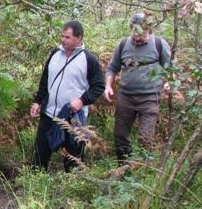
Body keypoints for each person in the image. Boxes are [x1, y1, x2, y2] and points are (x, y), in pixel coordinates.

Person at [30, 20, 105, 171]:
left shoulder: (88, 59)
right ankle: (35, 185)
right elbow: (45, 80)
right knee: (39, 156)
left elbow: (99, 86)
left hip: (73, 117)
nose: (63, 40)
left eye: (67, 37)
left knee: (73, 159)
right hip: (49, 113)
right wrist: (38, 101)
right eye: (62, 36)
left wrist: (82, 100)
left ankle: (71, 190)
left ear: (79, 38)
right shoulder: (55, 54)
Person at [104, 12, 171, 164]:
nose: (137, 37)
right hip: (126, 97)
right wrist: (108, 86)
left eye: (141, 33)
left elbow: (171, 69)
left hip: (149, 98)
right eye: (134, 32)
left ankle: (143, 170)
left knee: (145, 138)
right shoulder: (122, 44)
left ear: (149, 30)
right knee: (120, 136)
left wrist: (169, 82)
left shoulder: (159, 44)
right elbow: (112, 68)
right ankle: (124, 168)